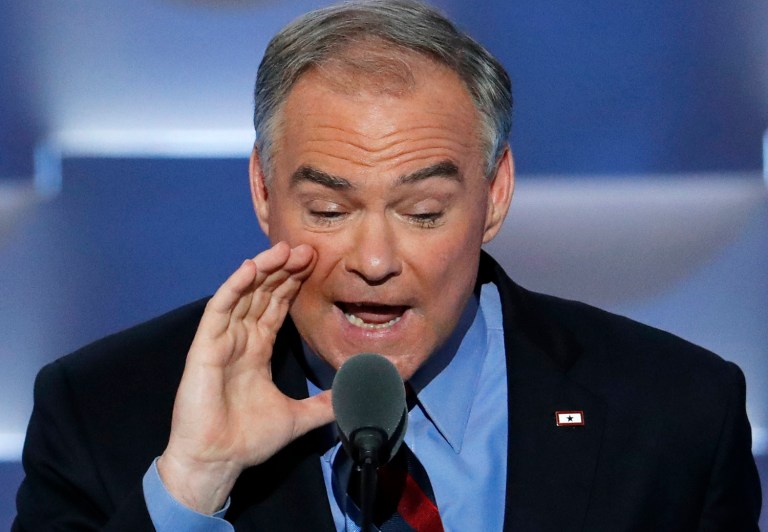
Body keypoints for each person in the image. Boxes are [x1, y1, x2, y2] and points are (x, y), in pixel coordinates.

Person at [14, 0, 762, 530]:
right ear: (264, 191)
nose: (374, 262)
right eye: (329, 210)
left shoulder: (677, 414)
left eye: (423, 212)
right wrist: (193, 485)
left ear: (495, 195)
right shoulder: (100, 412)